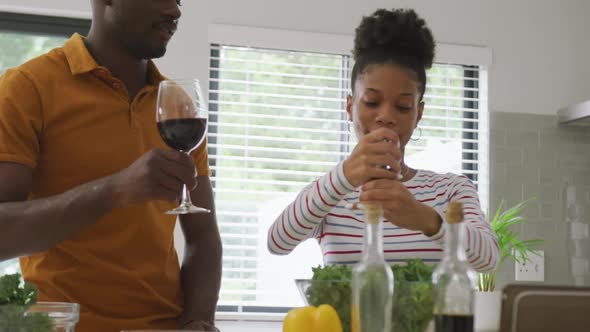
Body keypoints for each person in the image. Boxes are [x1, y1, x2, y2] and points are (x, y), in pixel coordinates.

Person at [0, 1, 221, 331]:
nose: (175, 11)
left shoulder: (179, 106)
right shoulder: (26, 88)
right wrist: (113, 191)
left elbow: (202, 236)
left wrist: (198, 319)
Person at [267, 8, 499, 271]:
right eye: (372, 102)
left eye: (402, 106)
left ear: (418, 114)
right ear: (349, 107)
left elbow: (489, 260)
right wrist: (344, 177)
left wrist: (426, 219)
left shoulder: (449, 190)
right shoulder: (331, 194)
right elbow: (278, 242)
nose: (386, 117)